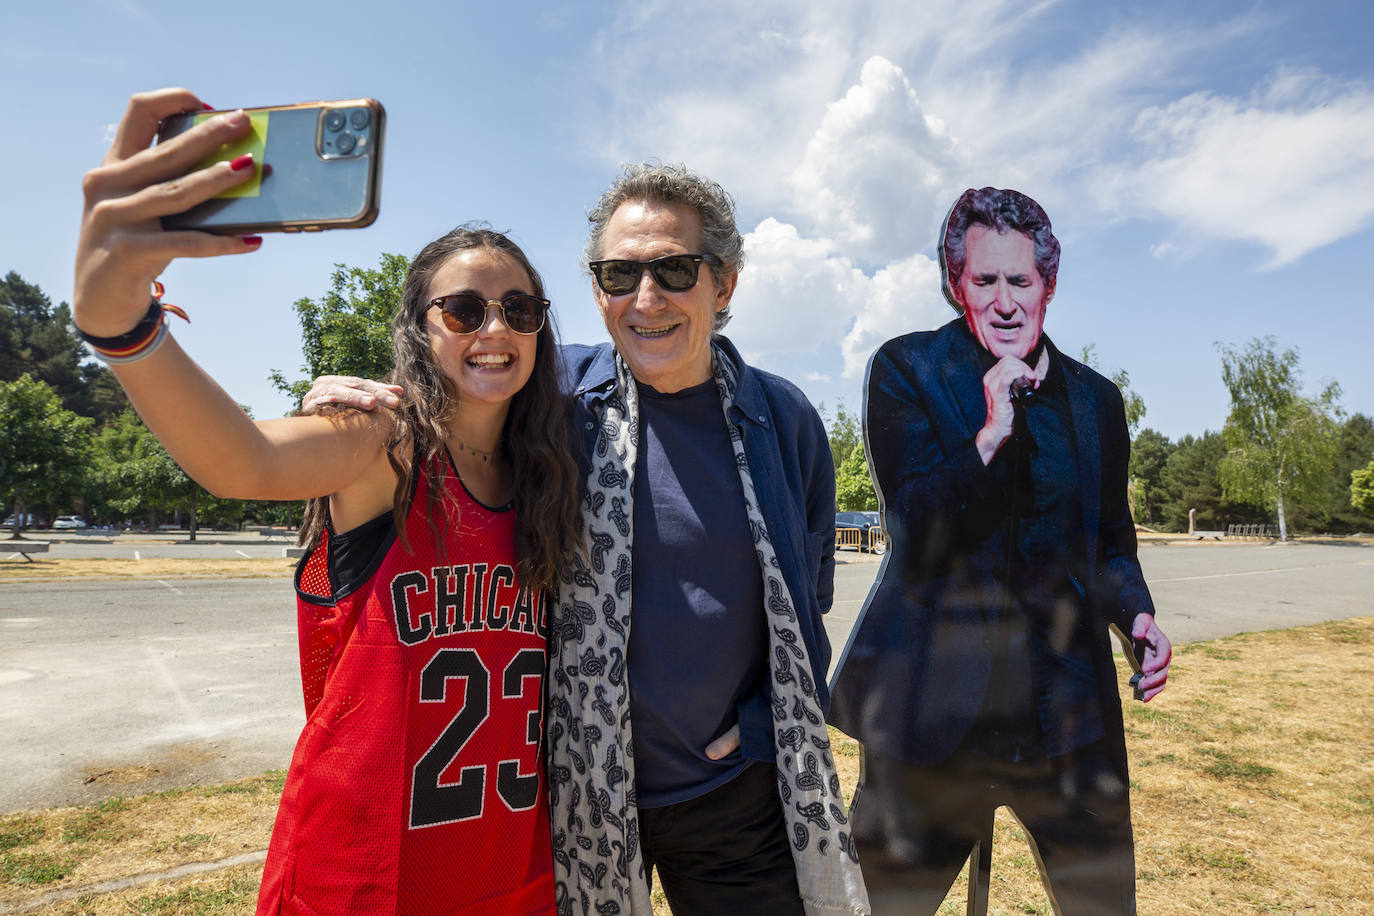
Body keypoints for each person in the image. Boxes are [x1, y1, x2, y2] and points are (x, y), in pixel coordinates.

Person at [305, 163, 869, 916]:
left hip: (734, 798)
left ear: (723, 285)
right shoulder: (551, 399)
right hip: (572, 793)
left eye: (673, 269)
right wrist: (342, 401)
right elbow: (451, 396)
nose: (646, 299)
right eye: (617, 274)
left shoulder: (783, 417)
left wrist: (760, 729)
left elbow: (809, 598)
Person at [73, 89, 581, 915]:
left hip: (510, 872)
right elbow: (239, 459)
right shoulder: (381, 441)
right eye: (463, 309)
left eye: (518, 309)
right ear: (422, 327)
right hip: (362, 876)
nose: (494, 327)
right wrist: (123, 324)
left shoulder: (552, 477)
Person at [827, 187, 1172, 915]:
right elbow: (917, 535)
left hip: (1068, 722)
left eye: (1021, 280)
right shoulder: (907, 370)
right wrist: (990, 432)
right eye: (986, 281)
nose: (1006, 301)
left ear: (1049, 284)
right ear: (958, 285)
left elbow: (1109, 544)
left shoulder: (1096, 401)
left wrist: (1136, 618)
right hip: (933, 724)